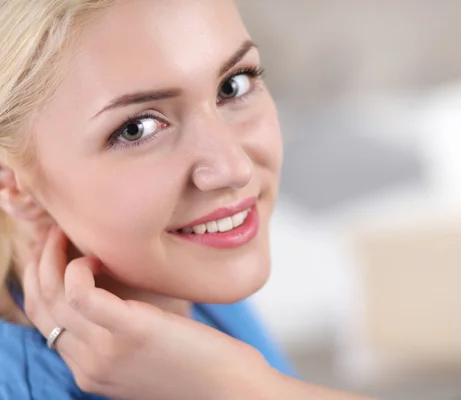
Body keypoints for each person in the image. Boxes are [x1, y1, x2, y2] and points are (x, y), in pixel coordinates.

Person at [0, 1, 373, 399]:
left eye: (234, 85)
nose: (234, 167)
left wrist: (239, 386)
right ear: (14, 186)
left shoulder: (181, 272)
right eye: (136, 128)